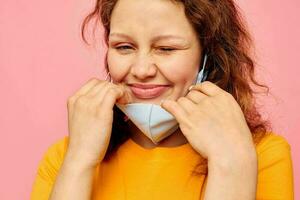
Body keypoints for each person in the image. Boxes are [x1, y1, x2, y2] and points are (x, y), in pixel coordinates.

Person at [30, 0, 294, 199]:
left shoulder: (262, 155)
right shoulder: (64, 157)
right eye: (124, 47)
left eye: (166, 49)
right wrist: (79, 160)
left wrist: (231, 164)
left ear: (208, 57)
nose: (142, 70)